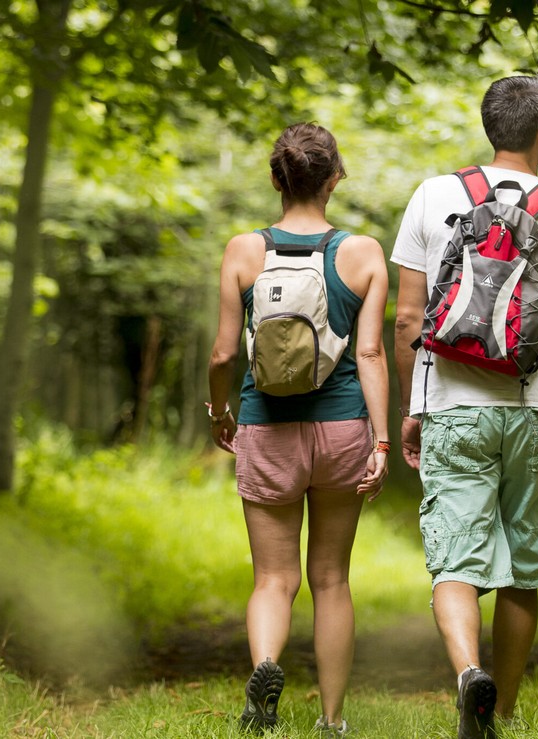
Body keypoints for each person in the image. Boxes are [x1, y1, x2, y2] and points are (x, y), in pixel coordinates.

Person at [391, 76, 538, 738]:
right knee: (524, 565)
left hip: (453, 399)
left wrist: (414, 405)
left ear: (490, 124)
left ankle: (468, 676)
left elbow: (408, 315)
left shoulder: (434, 198)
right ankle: (505, 713)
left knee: (454, 559)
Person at [207, 122, 391, 737]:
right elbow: (369, 355)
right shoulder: (363, 253)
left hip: (267, 428)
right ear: (335, 176)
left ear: (275, 179)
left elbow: (222, 357)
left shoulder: (243, 251)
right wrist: (382, 440)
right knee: (332, 578)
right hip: (341, 431)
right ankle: (332, 719)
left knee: (272, 578)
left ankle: (265, 668)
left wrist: (220, 413)